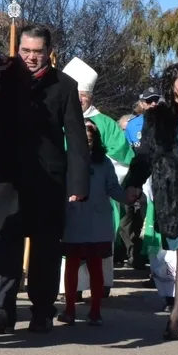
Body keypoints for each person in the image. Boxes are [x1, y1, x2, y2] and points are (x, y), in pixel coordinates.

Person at [0, 25, 90, 335]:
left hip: (47, 183)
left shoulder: (64, 86)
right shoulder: (0, 76)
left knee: (45, 251)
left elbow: (76, 138)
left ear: (48, 53)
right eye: (25, 51)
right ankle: (0, 310)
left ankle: (41, 311)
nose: (30, 58)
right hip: (6, 176)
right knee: (2, 243)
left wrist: (78, 185)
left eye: (37, 52)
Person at [124, 62, 178, 340]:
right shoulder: (156, 117)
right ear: (171, 85)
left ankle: (176, 315)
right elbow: (145, 155)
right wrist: (133, 183)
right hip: (170, 194)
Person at [59, 57, 133, 299]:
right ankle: (71, 292)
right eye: (75, 93)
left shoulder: (106, 124)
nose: (80, 98)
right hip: (68, 197)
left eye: (84, 94)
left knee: (98, 245)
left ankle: (100, 288)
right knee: (69, 244)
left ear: (91, 96)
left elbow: (122, 160)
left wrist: (92, 170)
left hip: (99, 195)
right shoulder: (58, 119)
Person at [58, 119, 136, 327]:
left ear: (96, 140)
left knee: (95, 266)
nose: (86, 143)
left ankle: (95, 311)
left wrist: (126, 197)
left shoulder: (104, 162)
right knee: (72, 265)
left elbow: (113, 188)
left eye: (90, 140)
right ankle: (70, 310)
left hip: (98, 220)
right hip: (74, 217)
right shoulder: (66, 160)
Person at [120, 87, 162, 269]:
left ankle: (157, 265)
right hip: (139, 175)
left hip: (160, 176)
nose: (153, 104)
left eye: (156, 100)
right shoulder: (133, 124)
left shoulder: (167, 122)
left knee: (152, 219)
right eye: (149, 100)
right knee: (132, 219)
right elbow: (128, 151)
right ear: (142, 103)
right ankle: (135, 255)